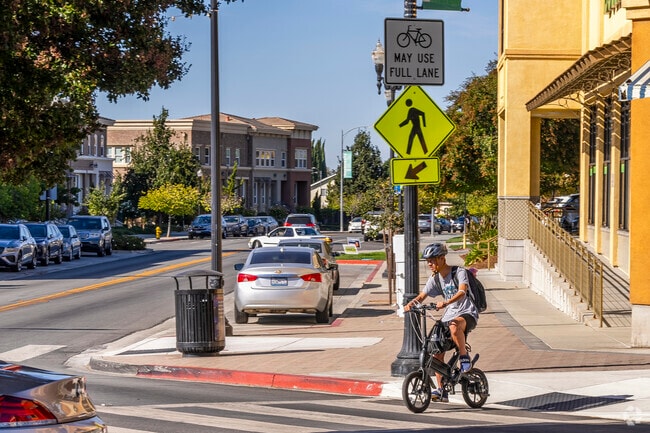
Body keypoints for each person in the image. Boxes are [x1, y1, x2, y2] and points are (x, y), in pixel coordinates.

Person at [404, 242, 479, 402]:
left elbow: (461, 291)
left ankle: (464, 358)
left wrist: (446, 303)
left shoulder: (458, 272)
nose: (430, 264)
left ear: (442, 258)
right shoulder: (435, 278)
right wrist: (411, 304)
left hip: (467, 314)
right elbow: (422, 296)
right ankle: (441, 389)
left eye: (432, 260)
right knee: (435, 349)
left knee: (454, 325)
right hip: (449, 316)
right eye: (428, 261)